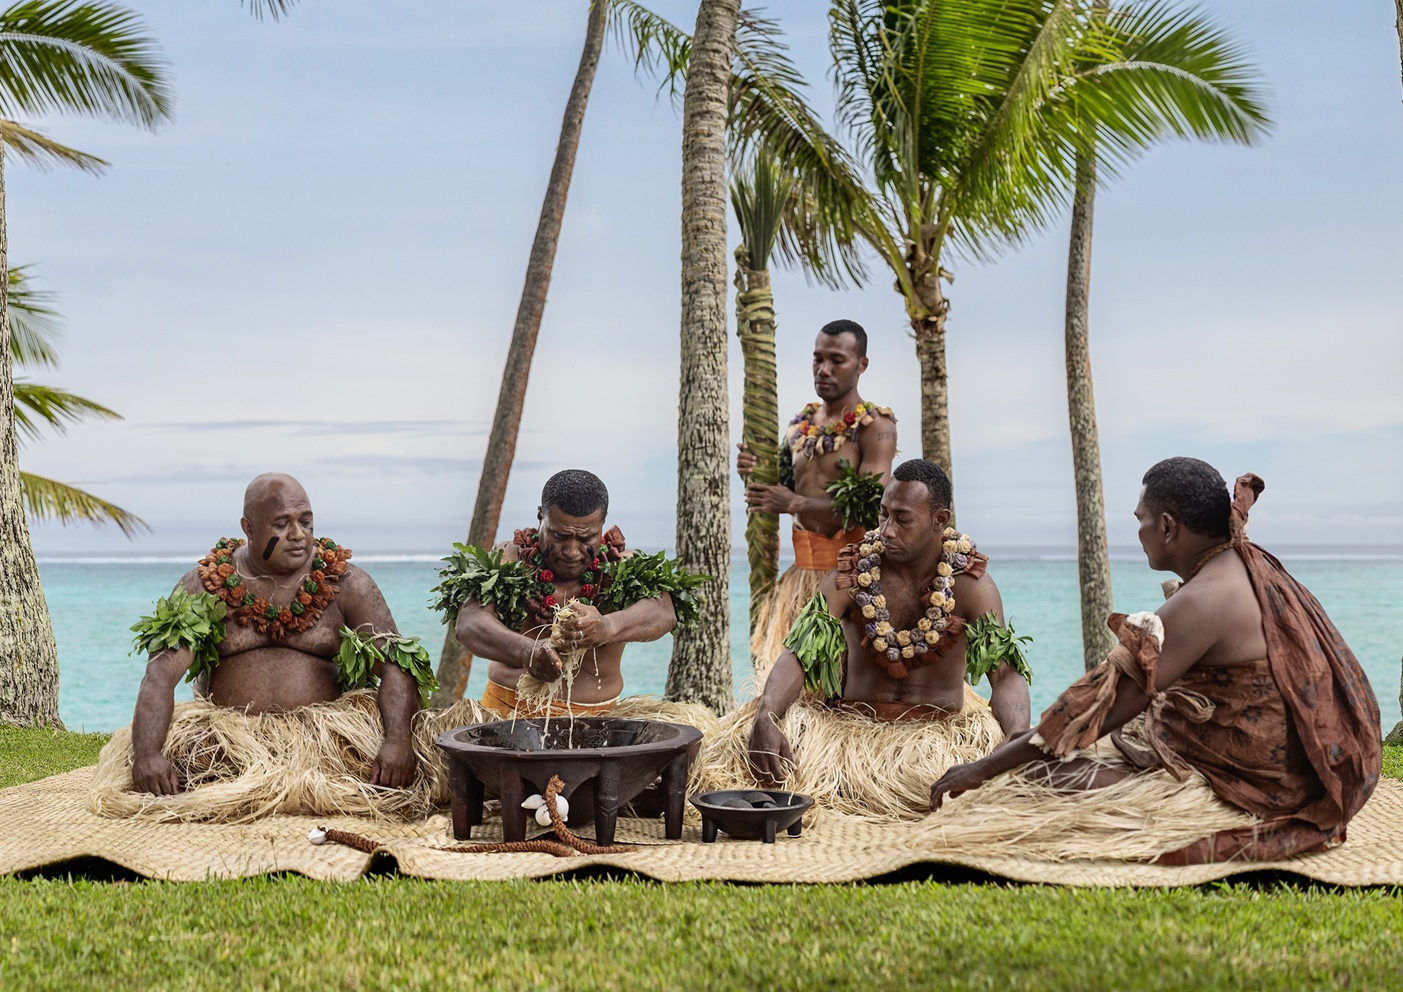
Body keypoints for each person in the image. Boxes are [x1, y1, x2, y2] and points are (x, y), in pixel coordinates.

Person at [929, 459, 1382, 864]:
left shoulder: (1204, 599)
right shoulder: (1241, 561)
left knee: (1040, 772)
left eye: (1141, 520)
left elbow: (1097, 711)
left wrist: (981, 769)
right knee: (1051, 752)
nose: (1138, 530)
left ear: (1168, 527)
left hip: (1264, 786)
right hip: (1288, 767)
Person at [694, 460, 1031, 819]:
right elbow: (798, 654)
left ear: (939, 520)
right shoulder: (855, 572)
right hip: (847, 736)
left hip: (933, 740)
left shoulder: (970, 585)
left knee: (967, 792)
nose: (886, 530)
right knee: (745, 756)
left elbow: (1006, 675)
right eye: (883, 515)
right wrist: (767, 715)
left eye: (902, 519)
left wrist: (1016, 739)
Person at [124, 473, 437, 797]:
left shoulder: (347, 584)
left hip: (325, 748)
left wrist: (397, 740)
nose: (298, 534)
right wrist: (148, 754)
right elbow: (160, 673)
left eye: (306, 521)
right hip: (224, 748)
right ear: (249, 528)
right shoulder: (203, 586)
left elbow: (395, 663)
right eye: (281, 524)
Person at [446, 469, 698, 719]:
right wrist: (526, 651)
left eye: (586, 537)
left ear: (601, 527)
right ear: (540, 518)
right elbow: (469, 623)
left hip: (597, 721)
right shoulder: (509, 560)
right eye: (560, 535)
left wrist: (607, 626)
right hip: (505, 714)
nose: (571, 551)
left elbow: (664, 613)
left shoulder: (623, 567)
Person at [738, 319, 897, 676]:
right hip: (799, 577)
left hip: (851, 578)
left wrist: (792, 504)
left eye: (836, 360)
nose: (823, 369)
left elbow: (874, 506)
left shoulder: (875, 427)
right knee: (792, 678)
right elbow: (781, 488)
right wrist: (752, 471)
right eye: (817, 358)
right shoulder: (800, 425)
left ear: (862, 364)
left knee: (845, 680)